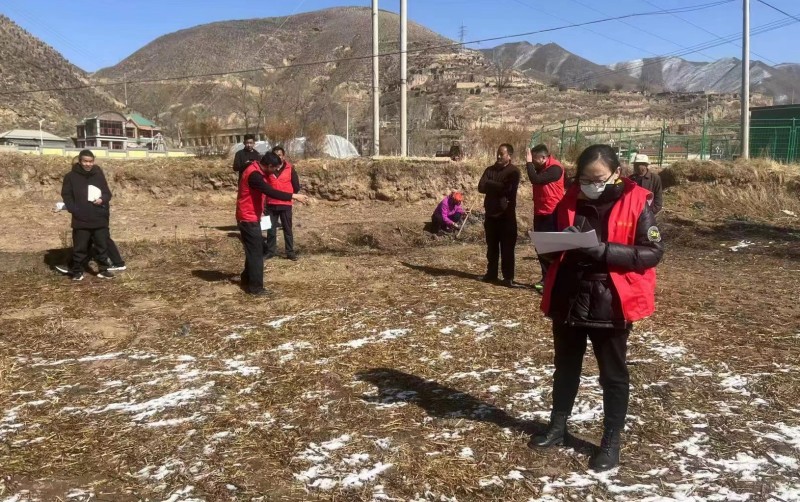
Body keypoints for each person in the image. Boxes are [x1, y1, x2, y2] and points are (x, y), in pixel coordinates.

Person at [531, 144, 663, 471]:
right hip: (569, 295)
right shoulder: (570, 198)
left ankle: (610, 441)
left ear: (616, 173)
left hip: (611, 299)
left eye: (598, 179)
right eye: (585, 179)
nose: (591, 186)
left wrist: (604, 250)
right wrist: (551, 245)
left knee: (613, 374)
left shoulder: (637, 201)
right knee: (565, 367)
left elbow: (653, 252)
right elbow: (553, 239)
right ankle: (557, 427)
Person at [236, 152, 307, 296]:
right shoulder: (254, 175)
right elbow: (270, 191)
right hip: (248, 218)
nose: (275, 171)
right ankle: (256, 288)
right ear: (268, 165)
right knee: (257, 253)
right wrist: (293, 196)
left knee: (256, 250)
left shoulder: (257, 169)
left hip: (251, 216)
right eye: (274, 168)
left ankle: (246, 279)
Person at [60, 150, 115, 281]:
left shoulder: (98, 175)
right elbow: (66, 195)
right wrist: (74, 210)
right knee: (80, 248)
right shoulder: (70, 177)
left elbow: (107, 193)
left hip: (99, 217)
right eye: (85, 161)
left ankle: (103, 270)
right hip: (81, 219)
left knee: (102, 246)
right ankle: (77, 271)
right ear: (80, 161)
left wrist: (102, 199)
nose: (88, 164)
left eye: (91, 161)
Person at [478, 143, 521, 288]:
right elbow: (481, 187)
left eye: (501, 154)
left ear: (509, 155)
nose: (498, 156)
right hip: (491, 215)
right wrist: (497, 185)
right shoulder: (489, 169)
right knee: (492, 247)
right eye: (497, 153)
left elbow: (507, 189)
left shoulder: (513, 171)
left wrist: (490, 184)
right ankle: (491, 273)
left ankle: (508, 277)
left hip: (506, 215)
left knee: (507, 248)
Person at [526, 144, 565, 292]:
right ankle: (545, 279)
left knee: (552, 248)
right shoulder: (541, 168)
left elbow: (535, 179)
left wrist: (528, 163)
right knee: (540, 247)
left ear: (544, 157)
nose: (533, 162)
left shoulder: (555, 168)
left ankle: (554, 280)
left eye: (534, 159)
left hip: (552, 212)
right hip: (540, 212)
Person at [264, 145, 301, 260]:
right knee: (270, 229)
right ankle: (270, 251)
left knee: (287, 229)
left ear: (283, 156)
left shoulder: (290, 168)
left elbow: (296, 186)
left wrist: (289, 195)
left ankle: (290, 252)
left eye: (280, 155)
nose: (278, 157)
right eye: (275, 155)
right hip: (271, 203)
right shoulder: (268, 169)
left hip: (285, 204)